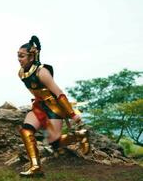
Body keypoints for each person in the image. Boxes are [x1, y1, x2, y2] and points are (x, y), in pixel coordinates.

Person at [17, 35, 90, 177]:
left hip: (53, 107)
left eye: (22, 56)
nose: (19, 59)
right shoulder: (21, 73)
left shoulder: (42, 72)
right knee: (26, 131)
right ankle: (36, 167)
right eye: (18, 56)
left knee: (54, 143)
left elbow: (59, 93)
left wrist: (73, 114)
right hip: (39, 105)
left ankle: (80, 136)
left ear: (31, 57)